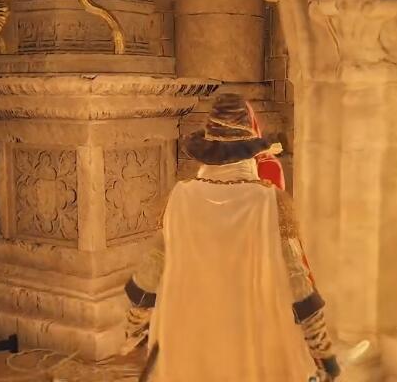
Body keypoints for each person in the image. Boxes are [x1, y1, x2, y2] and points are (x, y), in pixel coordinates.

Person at [124, 93, 339, 381]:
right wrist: (324, 354)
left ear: (208, 150)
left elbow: (149, 272)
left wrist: (135, 327)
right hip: (248, 347)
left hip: (190, 349)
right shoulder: (268, 202)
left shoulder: (179, 198)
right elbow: (298, 284)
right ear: (249, 148)